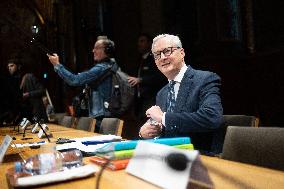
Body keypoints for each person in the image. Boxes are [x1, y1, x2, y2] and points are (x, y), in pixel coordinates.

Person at [139, 34, 223, 151]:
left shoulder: (205, 79)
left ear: (182, 52)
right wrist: (147, 131)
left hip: (200, 157)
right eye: (157, 55)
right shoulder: (161, 93)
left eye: (167, 51)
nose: (162, 57)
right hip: (167, 157)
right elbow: (166, 127)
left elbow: (212, 118)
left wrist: (163, 117)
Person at [48, 38, 116, 132]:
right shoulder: (110, 65)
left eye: (97, 48)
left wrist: (57, 65)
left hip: (100, 116)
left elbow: (74, 80)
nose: (93, 51)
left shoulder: (101, 68)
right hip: (104, 113)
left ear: (106, 50)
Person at [128, 33, 166, 124]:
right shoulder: (139, 60)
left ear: (149, 43)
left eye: (142, 41)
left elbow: (160, 77)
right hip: (139, 100)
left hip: (152, 99)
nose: (139, 44)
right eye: (138, 41)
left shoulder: (154, 59)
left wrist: (141, 80)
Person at [7, 58, 48, 123]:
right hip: (26, 116)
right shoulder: (14, 81)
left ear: (19, 66)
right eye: (8, 66)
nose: (9, 68)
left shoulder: (29, 77)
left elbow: (42, 90)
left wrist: (28, 94)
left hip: (36, 114)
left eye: (12, 66)